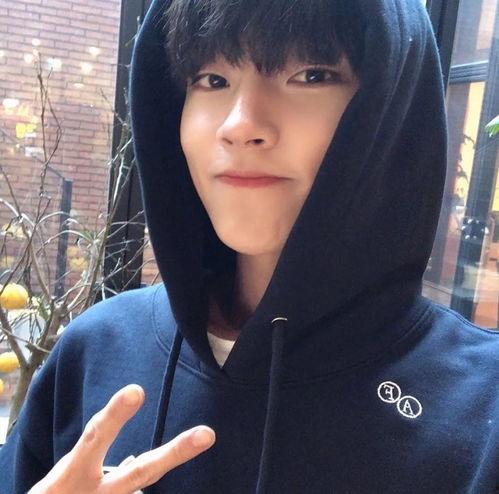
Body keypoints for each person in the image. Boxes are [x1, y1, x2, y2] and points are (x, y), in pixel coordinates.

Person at [1, 0, 498, 492]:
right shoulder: (95, 348)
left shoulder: (480, 411)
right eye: (212, 80)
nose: (240, 125)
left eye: (312, 75)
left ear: (392, 108)